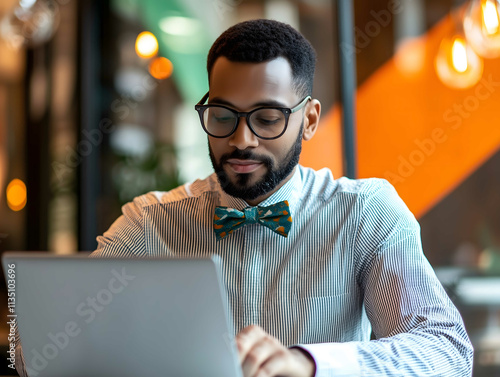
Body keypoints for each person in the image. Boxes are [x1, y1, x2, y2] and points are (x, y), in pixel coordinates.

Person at [94, 19, 473, 376]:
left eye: (268, 118)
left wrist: (309, 363)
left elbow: (447, 353)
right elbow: (52, 343)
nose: (241, 140)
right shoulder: (148, 222)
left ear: (308, 121)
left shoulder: (364, 213)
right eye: (223, 116)